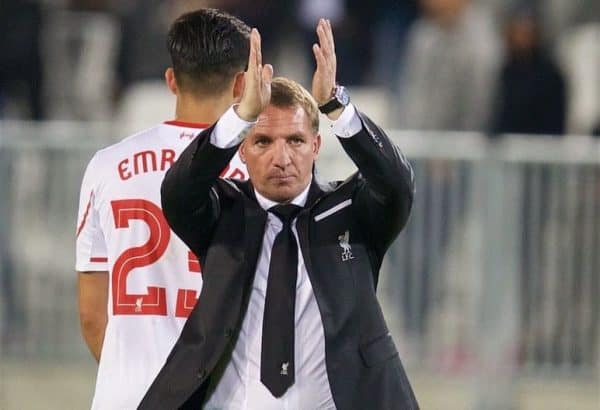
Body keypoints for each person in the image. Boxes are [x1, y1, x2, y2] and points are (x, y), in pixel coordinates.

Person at [139, 19, 419, 409]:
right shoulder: (222, 212)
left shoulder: (353, 212)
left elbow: (398, 185)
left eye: (296, 140)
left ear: (317, 145)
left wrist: (337, 105)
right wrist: (239, 117)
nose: (281, 157)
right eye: (263, 141)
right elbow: (178, 192)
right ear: (243, 149)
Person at [75, 9, 251, 409]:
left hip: (127, 395)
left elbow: (90, 314)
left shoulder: (106, 166)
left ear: (172, 80)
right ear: (242, 84)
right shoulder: (255, 174)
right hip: (221, 395)